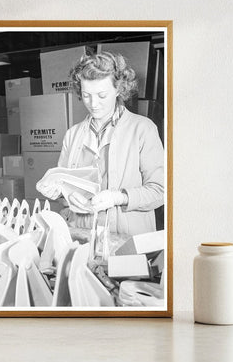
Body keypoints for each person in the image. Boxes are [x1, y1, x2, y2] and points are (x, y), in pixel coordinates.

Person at [37, 51, 164, 236]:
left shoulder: (143, 129)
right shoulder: (72, 135)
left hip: (128, 240)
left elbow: (160, 191)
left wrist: (118, 197)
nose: (93, 103)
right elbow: (64, 187)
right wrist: (60, 193)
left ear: (119, 89)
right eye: (86, 95)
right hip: (82, 235)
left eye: (102, 95)